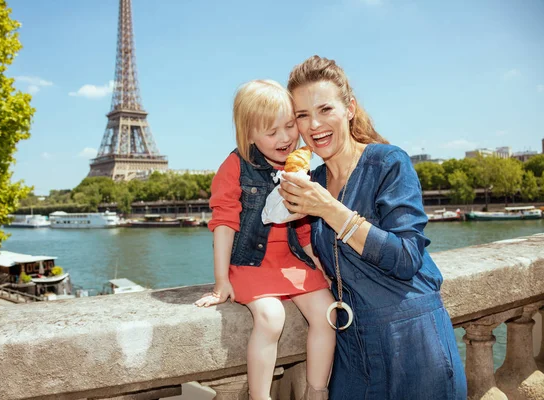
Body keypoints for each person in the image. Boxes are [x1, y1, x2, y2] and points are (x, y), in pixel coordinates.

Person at [279, 56, 467, 400]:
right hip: (351, 345)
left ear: (349, 109)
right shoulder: (311, 181)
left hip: (413, 340)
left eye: (325, 109)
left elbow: (408, 257)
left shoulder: (388, 162)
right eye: (303, 115)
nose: (314, 125)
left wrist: (330, 210)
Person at [195, 80, 336, 400]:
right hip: (250, 264)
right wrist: (221, 282)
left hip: (290, 260)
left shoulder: (299, 168)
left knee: (327, 312)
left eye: (289, 126)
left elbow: (302, 226)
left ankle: (317, 392)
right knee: (271, 317)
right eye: (272, 132)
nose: (285, 137)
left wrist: (318, 264)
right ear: (249, 135)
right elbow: (224, 223)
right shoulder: (234, 167)